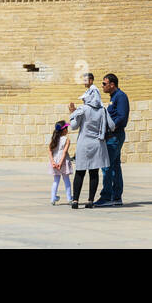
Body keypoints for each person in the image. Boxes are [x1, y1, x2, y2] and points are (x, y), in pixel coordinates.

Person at [66, 74, 110, 208]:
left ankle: (75, 201)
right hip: (97, 143)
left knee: (80, 171)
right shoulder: (102, 110)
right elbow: (110, 125)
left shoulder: (84, 109)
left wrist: (72, 112)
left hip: (84, 144)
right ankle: (90, 201)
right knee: (94, 172)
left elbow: (73, 126)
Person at [95, 73, 129, 206]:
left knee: (106, 166)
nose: (102, 86)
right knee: (114, 166)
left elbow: (122, 116)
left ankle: (107, 197)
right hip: (111, 136)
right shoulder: (113, 97)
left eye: (104, 83)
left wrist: (111, 126)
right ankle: (116, 196)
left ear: (112, 84)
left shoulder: (120, 97)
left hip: (114, 136)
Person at [48, 121, 73, 205]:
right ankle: (69, 198)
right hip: (63, 161)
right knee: (66, 180)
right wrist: (61, 162)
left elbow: (50, 151)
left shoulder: (54, 139)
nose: (67, 129)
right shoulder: (67, 139)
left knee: (56, 181)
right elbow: (64, 152)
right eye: (66, 128)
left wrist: (53, 162)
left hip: (54, 161)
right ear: (64, 130)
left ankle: (53, 198)